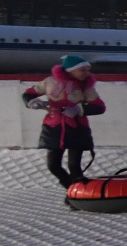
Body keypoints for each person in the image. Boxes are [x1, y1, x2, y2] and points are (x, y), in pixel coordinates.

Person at [21, 54, 105, 187]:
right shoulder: (50, 82)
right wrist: (32, 102)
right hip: (54, 128)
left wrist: (79, 109)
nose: (86, 73)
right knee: (53, 165)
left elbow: (100, 107)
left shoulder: (86, 87)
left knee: (74, 166)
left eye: (87, 70)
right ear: (70, 70)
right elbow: (28, 93)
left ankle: (76, 195)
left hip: (77, 129)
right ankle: (71, 189)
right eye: (82, 70)